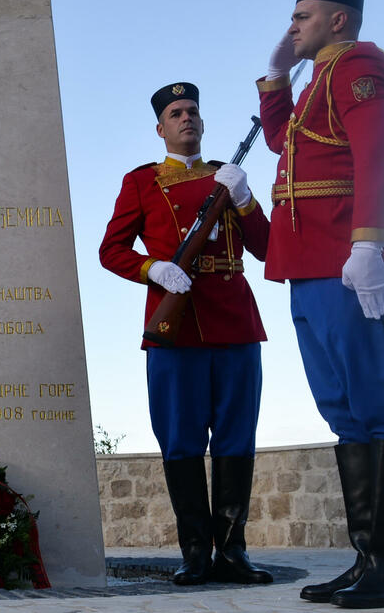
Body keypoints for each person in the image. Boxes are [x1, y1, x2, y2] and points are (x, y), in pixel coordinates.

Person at [257, 0, 384, 609]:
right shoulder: (312, 84)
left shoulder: (360, 63)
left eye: (302, 16)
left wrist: (369, 243)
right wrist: (275, 77)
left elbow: (382, 153)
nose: (292, 26)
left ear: (339, 21)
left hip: (353, 263)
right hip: (309, 266)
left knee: (381, 404)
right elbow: (283, 142)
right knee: (344, 411)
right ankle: (367, 561)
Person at [99, 83, 273, 586]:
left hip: (235, 319)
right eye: (176, 113)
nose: (187, 118)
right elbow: (111, 250)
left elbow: (264, 248)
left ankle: (233, 552)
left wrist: (245, 200)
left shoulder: (229, 178)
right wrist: (152, 269)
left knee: (237, 439)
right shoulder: (142, 182)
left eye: (193, 111)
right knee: (180, 440)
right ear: (161, 129)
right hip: (176, 324)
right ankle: (196, 553)